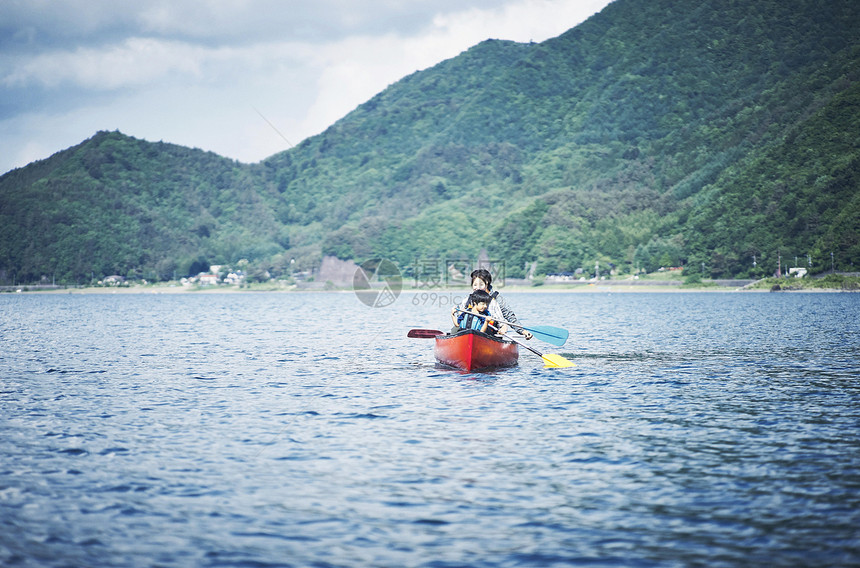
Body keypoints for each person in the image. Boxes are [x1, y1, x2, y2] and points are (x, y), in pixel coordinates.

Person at [451, 268, 532, 339]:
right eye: (475, 285)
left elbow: (508, 317)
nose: (477, 288)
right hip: (468, 331)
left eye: (481, 285)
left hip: (488, 331)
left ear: (487, 283)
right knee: (454, 330)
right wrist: (454, 312)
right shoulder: (467, 299)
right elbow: (460, 317)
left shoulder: (495, 300)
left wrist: (522, 331)